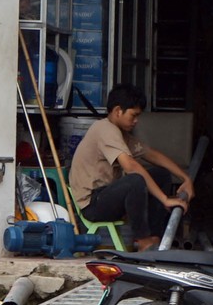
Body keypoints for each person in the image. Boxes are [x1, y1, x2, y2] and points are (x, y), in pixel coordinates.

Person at [71, 85, 192, 249]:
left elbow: (152, 155)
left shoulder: (122, 135)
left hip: (108, 194)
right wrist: (165, 199)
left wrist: (186, 178)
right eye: (133, 115)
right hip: (93, 204)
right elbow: (131, 167)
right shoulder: (105, 129)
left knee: (161, 174)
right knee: (135, 180)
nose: (136, 121)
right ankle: (142, 240)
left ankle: (155, 236)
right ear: (118, 111)